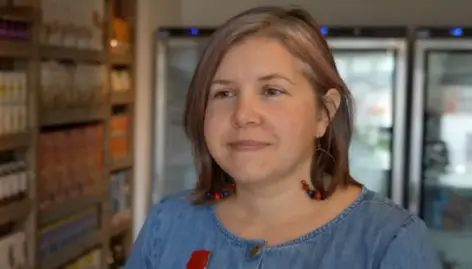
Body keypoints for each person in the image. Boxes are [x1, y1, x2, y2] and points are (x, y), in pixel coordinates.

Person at [126, 6, 441, 269]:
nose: (243, 114)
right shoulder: (168, 224)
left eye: (271, 91)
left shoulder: (390, 241)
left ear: (324, 113)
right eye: (223, 93)